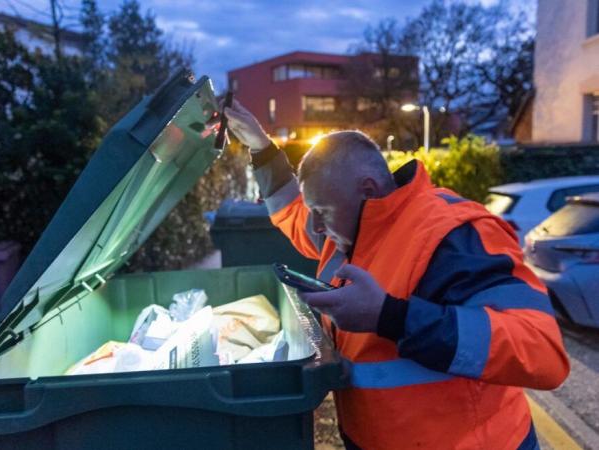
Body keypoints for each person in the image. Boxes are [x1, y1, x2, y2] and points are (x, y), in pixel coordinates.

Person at [223, 100, 570, 450]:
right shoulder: (346, 224)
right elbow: (293, 212)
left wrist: (390, 317)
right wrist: (261, 148)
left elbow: (542, 352)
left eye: (322, 212)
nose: (315, 226)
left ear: (369, 191)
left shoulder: (452, 235)